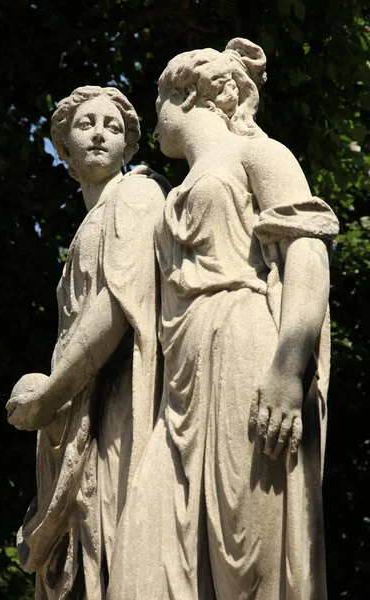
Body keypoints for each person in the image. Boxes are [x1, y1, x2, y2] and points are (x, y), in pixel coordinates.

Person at [107, 39, 339, 600]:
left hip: (244, 349)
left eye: (156, 102)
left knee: (248, 566)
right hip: (178, 382)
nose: (155, 120)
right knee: (138, 569)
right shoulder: (167, 193)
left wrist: (288, 368)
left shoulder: (259, 154)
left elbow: (307, 253)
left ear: (182, 95)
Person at [6, 85, 168, 600]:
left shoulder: (138, 194)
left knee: (114, 553)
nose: (99, 132)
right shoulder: (88, 225)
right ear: (65, 150)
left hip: (122, 402)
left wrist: (50, 394)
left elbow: (118, 302)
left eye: (113, 126)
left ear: (129, 147)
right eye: (86, 124)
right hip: (85, 412)